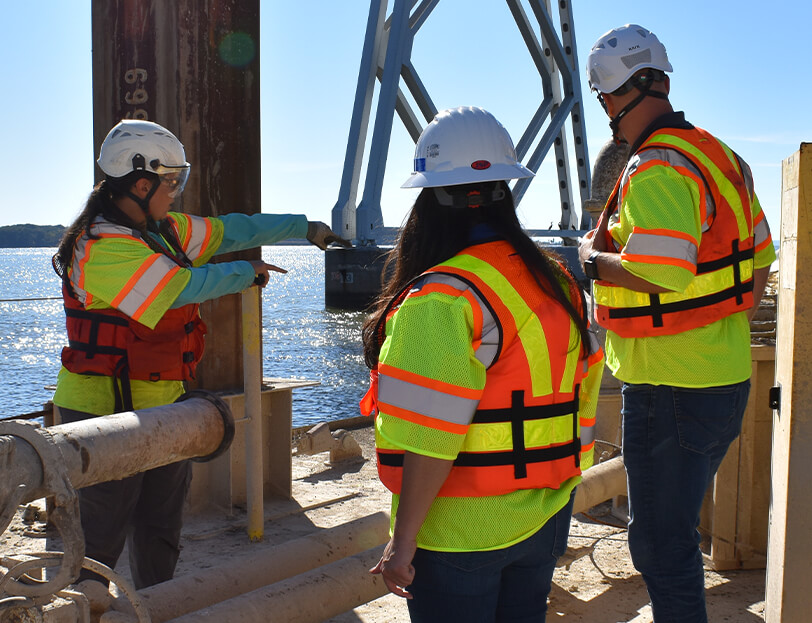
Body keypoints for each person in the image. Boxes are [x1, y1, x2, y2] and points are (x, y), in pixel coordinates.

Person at [51, 119, 348, 589]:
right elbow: (176, 288)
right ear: (140, 182)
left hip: (164, 398)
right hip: (100, 408)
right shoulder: (100, 245)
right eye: (171, 182)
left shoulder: (161, 230)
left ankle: (158, 604)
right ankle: (86, 607)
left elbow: (228, 231)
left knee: (161, 522)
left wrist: (303, 227)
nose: (176, 191)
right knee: (102, 528)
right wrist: (245, 272)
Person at [359, 106, 604, 622]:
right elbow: (584, 385)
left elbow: (431, 436)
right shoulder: (556, 281)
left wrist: (402, 548)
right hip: (546, 511)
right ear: (505, 194)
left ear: (430, 200)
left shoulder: (441, 299)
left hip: (461, 532)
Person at [578, 25, 775, 623]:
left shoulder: (658, 166)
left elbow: (662, 272)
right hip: (722, 378)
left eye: (604, 98)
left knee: (662, 547)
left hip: (670, 388)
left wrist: (591, 259)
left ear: (618, 95)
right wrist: (718, 312)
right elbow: (759, 262)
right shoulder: (720, 157)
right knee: (673, 534)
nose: (607, 111)